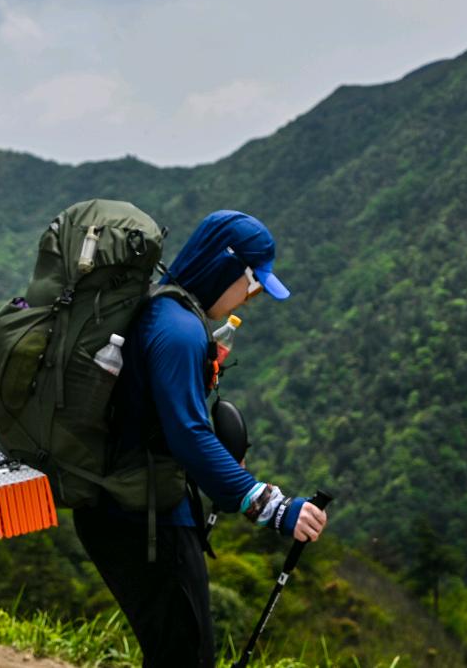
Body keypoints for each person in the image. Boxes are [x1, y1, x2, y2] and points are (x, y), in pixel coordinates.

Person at [73, 210, 329, 668]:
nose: (250, 297)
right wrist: (269, 504)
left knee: (175, 652)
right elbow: (189, 433)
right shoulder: (179, 331)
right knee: (185, 658)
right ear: (226, 268)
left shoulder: (161, 309)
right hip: (144, 519)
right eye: (252, 283)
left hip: (118, 507)